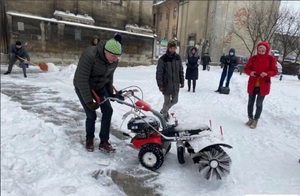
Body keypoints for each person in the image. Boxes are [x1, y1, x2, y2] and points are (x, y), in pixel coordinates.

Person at [73, 34, 123, 153]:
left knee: (108, 111)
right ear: (105, 51)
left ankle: (104, 141)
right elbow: (82, 79)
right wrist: (89, 101)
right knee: (91, 114)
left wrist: (110, 94)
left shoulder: (113, 61)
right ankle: (89, 139)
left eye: (117, 57)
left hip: (99, 86)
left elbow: (109, 77)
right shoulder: (90, 55)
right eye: (113, 56)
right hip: (83, 85)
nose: (115, 59)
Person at [244, 41, 278, 129]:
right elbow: (246, 69)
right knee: (250, 103)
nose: (261, 52)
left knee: (259, 104)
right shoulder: (253, 58)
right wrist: (251, 72)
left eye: (263, 50)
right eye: (259, 50)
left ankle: (256, 119)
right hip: (252, 84)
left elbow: (275, 71)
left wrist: (267, 73)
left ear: (266, 50)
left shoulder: (271, 59)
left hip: (263, 85)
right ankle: (250, 118)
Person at [156, 40, 184, 121]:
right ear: (168, 48)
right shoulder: (163, 59)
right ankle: (164, 115)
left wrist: (182, 81)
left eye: (174, 48)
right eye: (171, 48)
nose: (172, 50)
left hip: (175, 83)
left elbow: (180, 70)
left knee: (175, 100)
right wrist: (161, 85)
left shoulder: (178, 57)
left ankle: (164, 110)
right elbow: (159, 73)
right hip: (166, 84)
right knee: (167, 101)